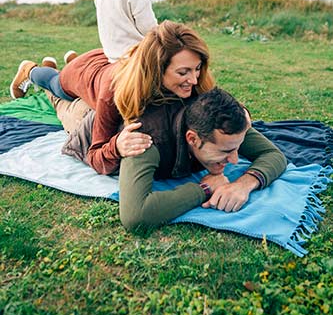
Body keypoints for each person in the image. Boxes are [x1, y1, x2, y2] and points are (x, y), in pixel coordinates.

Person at [48, 87, 287, 229]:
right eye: (225, 153)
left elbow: (272, 154)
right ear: (193, 139)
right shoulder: (144, 140)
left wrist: (244, 184)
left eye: (237, 148)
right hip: (90, 127)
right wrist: (204, 188)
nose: (235, 160)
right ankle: (45, 81)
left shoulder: (220, 120)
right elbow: (135, 216)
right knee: (69, 109)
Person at [10, 21, 215, 174]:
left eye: (197, 69)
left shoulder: (190, 77)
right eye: (183, 73)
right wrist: (116, 146)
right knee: (56, 86)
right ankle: (31, 71)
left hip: (109, 61)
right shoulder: (115, 91)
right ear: (157, 70)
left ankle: (63, 64)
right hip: (84, 74)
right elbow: (95, 154)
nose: (194, 80)